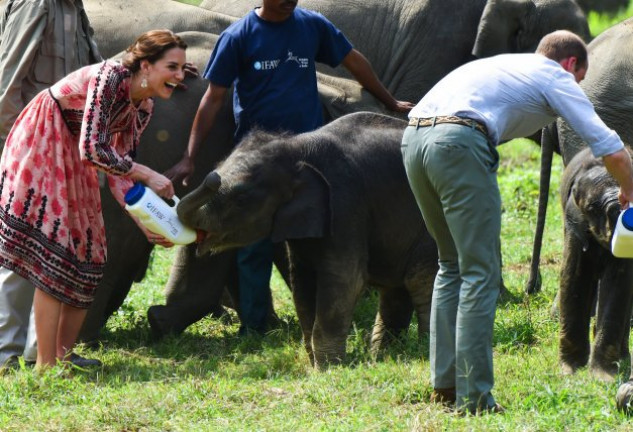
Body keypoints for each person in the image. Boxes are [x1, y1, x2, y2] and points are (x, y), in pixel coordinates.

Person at [401, 30, 633, 414]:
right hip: (459, 142)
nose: (576, 87)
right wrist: (629, 189)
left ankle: (444, 385)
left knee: (451, 265)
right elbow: (610, 148)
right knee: (480, 272)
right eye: (579, 79)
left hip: (414, 140)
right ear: (571, 64)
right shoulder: (556, 76)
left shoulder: (504, 65)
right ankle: (475, 398)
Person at [165, 0, 414, 335]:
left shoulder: (312, 25)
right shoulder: (239, 36)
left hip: (311, 157)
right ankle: (255, 325)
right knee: (252, 244)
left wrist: (389, 101)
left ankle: (324, 319)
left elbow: (352, 60)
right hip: (258, 161)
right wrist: (189, 156)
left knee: (324, 236)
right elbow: (213, 97)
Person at [0, 29, 186, 369]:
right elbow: (93, 149)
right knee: (52, 248)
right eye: (172, 67)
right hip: (43, 140)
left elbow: (119, 172)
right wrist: (147, 173)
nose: (178, 76)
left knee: (92, 252)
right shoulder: (111, 76)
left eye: (181, 69)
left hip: (75, 157)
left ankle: (63, 356)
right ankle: (33, 362)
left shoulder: (143, 107)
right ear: (146, 65)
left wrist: (147, 224)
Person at [0, 0, 102, 368]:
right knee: (18, 250)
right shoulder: (36, 4)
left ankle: (37, 354)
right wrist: (17, 151)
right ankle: (4, 355)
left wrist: (156, 67)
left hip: (65, 154)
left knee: (57, 249)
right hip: (31, 149)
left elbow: (96, 76)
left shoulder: (75, 9)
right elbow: (7, 82)